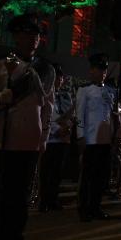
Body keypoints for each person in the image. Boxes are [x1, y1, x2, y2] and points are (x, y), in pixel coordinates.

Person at [0, 14, 54, 240]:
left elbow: (48, 106)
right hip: (2, 140)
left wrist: (43, 139)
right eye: (26, 35)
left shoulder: (46, 68)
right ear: (16, 37)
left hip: (28, 140)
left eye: (36, 36)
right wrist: (4, 97)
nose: (32, 40)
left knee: (19, 200)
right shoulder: (2, 62)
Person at [76, 53, 118, 222]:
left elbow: (111, 115)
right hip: (90, 140)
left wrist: (114, 135)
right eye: (96, 69)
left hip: (105, 140)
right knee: (87, 177)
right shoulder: (84, 90)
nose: (100, 72)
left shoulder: (110, 91)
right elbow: (80, 115)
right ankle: (84, 208)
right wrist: (80, 137)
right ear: (91, 71)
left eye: (103, 70)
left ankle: (96, 206)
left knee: (101, 177)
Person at [38, 64, 73, 212]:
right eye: (57, 77)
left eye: (61, 77)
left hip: (63, 139)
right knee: (46, 172)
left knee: (57, 172)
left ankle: (53, 200)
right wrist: (57, 128)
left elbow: (71, 116)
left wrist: (68, 127)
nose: (59, 80)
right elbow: (45, 117)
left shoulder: (66, 96)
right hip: (50, 139)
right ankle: (43, 201)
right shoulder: (44, 94)